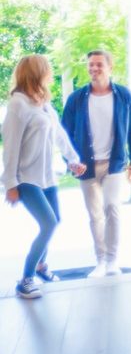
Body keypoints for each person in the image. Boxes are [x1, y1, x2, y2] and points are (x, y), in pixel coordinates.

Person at [2, 55, 86, 298]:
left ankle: (41, 266)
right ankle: (25, 279)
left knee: (55, 220)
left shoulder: (43, 103)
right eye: (48, 69)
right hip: (26, 179)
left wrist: (73, 160)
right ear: (37, 72)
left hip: (47, 177)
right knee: (48, 223)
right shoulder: (18, 104)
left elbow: (59, 134)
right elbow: (10, 147)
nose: (51, 72)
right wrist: (10, 184)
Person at [60, 49, 131, 277]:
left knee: (112, 207)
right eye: (91, 65)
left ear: (110, 67)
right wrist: (70, 161)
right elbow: (63, 132)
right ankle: (101, 261)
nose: (94, 69)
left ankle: (113, 260)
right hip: (86, 165)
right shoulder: (77, 98)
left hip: (114, 163)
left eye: (98, 65)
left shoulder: (124, 95)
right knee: (95, 215)